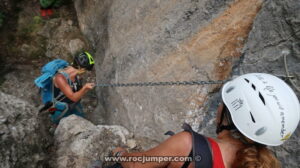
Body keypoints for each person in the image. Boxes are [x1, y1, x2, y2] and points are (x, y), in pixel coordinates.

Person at [110, 73, 300, 168]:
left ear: (229, 116)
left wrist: (119, 154)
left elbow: (137, 165)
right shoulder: (264, 163)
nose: (218, 108)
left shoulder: (188, 145)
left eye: (222, 103)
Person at [50, 51, 95, 124]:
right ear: (82, 68)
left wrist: (85, 88)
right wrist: (85, 88)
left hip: (73, 105)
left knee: (82, 121)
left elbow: (77, 92)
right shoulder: (60, 78)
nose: (85, 72)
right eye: (85, 70)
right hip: (60, 109)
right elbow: (73, 97)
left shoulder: (77, 75)